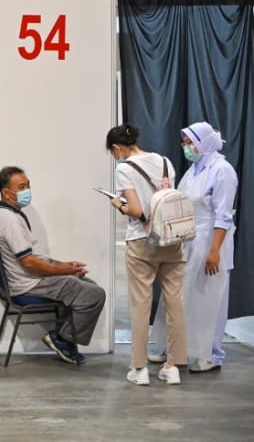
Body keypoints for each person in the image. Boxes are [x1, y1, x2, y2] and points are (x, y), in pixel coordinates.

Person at [0, 166, 106, 364]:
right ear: (6, 193)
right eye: (22, 187)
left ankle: (64, 338)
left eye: (28, 185)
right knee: (95, 294)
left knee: (89, 284)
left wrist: (67, 266)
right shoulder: (10, 221)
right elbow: (30, 263)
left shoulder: (9, 215)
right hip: (29, 283)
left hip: (32, 278)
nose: (27, 191)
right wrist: (65, 270)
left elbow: (36, 257)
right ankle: (61, 339)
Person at [148, 122, 238, 373]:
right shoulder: (194, 170)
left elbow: (223, 215)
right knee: (176, 295)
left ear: (204, 142)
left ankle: (210, 354)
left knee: (208, 298)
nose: (187, 147)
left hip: (211, 240)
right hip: (187, 239)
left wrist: (214, 251)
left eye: (190, 142)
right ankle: (174, 347)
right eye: (185, 142)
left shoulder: (222, 171)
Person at [106, 123, 186, 386]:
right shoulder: (165, 162)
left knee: (140, 304)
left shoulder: (124, 169)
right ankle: (173, 366)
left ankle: (139, 369)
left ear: (117, 148)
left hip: (142, 240)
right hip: (171, 239)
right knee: (174, 302)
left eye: (113, 152)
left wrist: (118, 204)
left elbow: (137, 209)